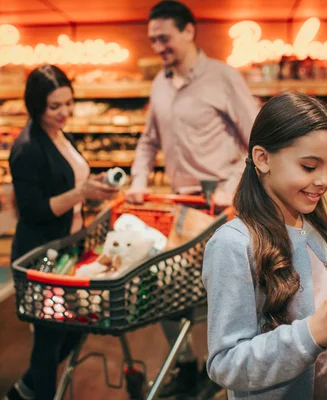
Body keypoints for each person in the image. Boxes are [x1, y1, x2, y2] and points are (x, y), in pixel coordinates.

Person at [202, 92, 327, 399]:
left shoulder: (318, 230)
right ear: (262, 158)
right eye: (309, 167)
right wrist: (313, 332)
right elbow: (226, 364)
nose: (325, 181)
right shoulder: (233, 245)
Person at [126, 1, 260, 398]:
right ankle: (186, 364)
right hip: (176, 209)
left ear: (189, 31)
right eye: (152, 40)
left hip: (221, 209)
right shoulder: (160, 83)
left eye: (164, 38)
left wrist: (230, 185)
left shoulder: (223, 78)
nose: (158, 47)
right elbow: (148, 141)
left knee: (224, 294)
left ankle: (228, 372)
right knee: (165, 286)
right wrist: (138, 177)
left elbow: (257, 142)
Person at [5, 65, 118, 400]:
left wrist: (93, 188)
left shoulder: (62, 135)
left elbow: (68, 182)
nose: (65, 112)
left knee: (68, 329)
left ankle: (24, 390)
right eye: (55, 106)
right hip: (41, 254)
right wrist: (81, 193)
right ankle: (34, 392)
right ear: (36, 105)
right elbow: (34, 211)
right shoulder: (26, 148)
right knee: (50, 337)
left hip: (66, 247)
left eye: (69, 103)